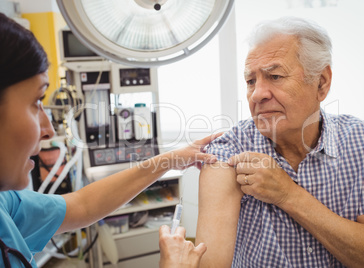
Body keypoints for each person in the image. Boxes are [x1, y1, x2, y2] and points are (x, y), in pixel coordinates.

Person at [0, 13, 208, 267]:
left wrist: (168, 160)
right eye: (36, 102)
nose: (48, 130)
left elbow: (82, 206)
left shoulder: (5, 203)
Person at [195, 16, 364, 267]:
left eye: (275, 76)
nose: (257, 94)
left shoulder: (363, 141)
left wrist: (288, 195)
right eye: (250, 81)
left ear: (321, 83)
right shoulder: (227, 151)